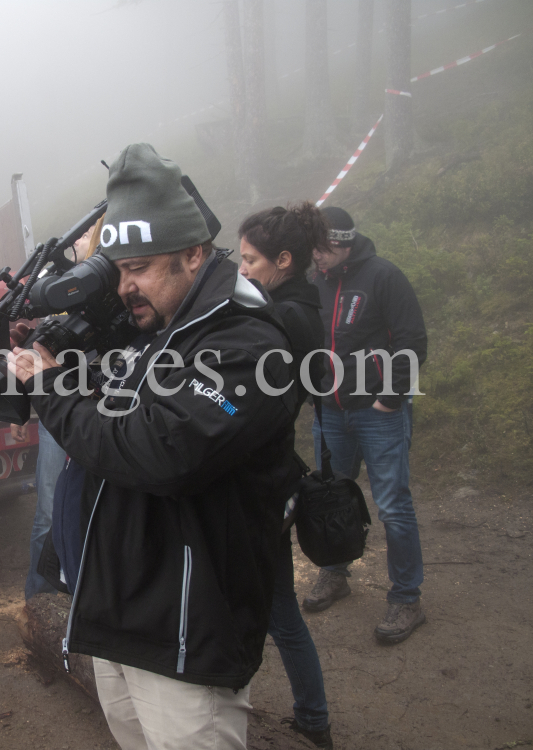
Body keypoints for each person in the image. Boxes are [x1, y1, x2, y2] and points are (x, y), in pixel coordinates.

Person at [9, 144, 299, 750]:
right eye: (118, 270)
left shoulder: (247, 343)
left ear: (194, 254)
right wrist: (56, 370)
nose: (125, 287)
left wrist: (53, 388)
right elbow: (108, 417)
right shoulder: (152, 332)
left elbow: (157, 453)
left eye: (139, 267)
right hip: (120, 617)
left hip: (188, 631)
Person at [304, 206, 428, 645]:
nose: (314, 257)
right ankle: (335, 573)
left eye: (320, 249)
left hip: (378, 413)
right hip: (330, 411)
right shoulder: (314, 282)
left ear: (341, 242)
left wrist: (390, 398)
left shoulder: (383, 276)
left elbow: (412, 339)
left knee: (393, 504)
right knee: (331, 496)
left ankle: (406, 596)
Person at [237, 204, 333, 749]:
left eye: (251, 260)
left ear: (285, 260)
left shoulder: (286, 318)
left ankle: (314, 721)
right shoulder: (289, 306)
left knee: (279, 612)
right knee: (276, 609)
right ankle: (312, 717)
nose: (244, 269)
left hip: (264, 485)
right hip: (271, 477)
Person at [22, 216, 104, 600]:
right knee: (49, 515)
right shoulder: (58, 287)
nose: (82, 239)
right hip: (58, 408)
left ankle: (83, 605)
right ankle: (39, 605)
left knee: (91, 512)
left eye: (90, 233)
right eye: (83, 233)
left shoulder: (112, 288)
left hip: (99, 410)